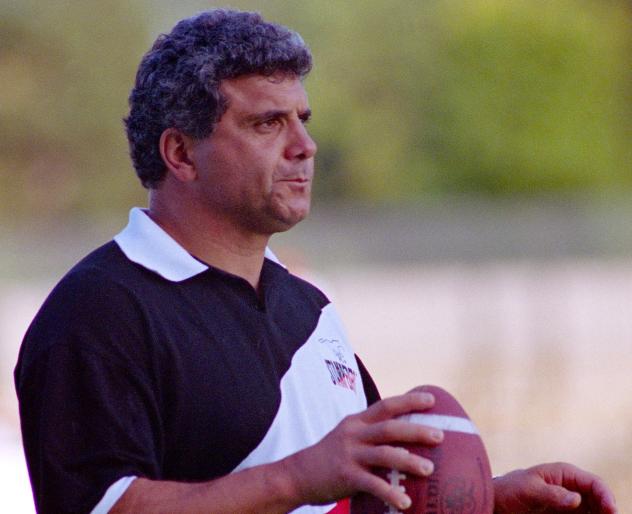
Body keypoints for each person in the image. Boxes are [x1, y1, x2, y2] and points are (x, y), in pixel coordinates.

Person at [14, 9, 617, 514]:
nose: (305, 146)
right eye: (266, 122)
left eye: (301, 119)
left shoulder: (309, 308)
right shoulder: (97, 313)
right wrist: (295, 477)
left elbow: (348, 498)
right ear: (180, 153)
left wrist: (482, 499)